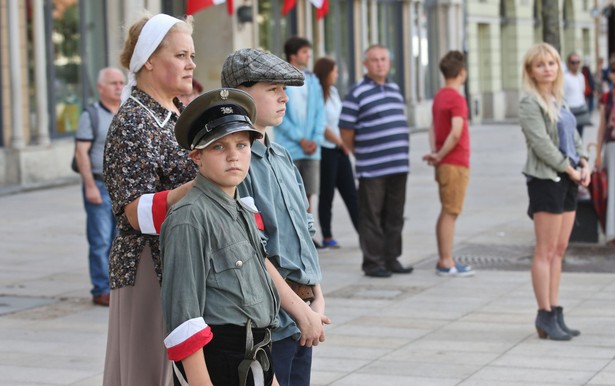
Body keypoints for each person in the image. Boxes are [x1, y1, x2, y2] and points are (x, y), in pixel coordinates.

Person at [221, 48, 331, 386]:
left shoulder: (281, 157)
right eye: (272, 89)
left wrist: (316, 295)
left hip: (303, 313)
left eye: (283, 89)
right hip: (270, 319)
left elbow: (304, 229)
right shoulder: (237, 166)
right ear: (242, 94)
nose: (284, 97)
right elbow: (252, 250)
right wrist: (299, 308)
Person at [160, 88, 280, 386]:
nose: (233, 156)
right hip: (220, 363)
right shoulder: (189, 218)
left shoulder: (238, 206)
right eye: (218, 147)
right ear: (196, 157)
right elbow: (184, 316)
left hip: (255, 355)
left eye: (241, 145)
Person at [102, 14, 197, 385]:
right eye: (181, 55)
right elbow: (135, 212)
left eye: (192, 54)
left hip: (182, 259)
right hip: (149, 264)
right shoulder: (133, 122)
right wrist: (203, 185)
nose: (191, 64)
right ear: (150, 60)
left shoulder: (180, 114)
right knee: (148, 372)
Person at [519, 43, 590, 341]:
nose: (548, 68)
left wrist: (584, 161)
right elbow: (541, 145)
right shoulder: (529, 103)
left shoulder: (557, 99)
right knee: (545, 250)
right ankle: (544, 313)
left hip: (569, 178)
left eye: (552, 62)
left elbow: (573, 136)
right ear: (530, 71)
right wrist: (570, 168)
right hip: (547, 179)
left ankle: (556, 311)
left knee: (559, 250)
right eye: (540, 64)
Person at [339, 44, 413, 278]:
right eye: (374, 60)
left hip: (398, 165)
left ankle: (392, 258)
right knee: (371, 216)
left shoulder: (394, 88)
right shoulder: (357, 92)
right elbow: (346, 129)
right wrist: (359, 151)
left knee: (395, 215)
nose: (380, 63)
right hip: (372, 167)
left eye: (383, 59)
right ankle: (373, 263)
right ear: (365, 64)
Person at [74, 67, 125, 306]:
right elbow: (81, 152)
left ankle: (116, 287)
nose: (118, 86)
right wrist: (89, 186)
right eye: (113, 82)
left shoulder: (126, 112)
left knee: (119, 240)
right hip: (99, 184)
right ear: (101, 87)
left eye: (121, 82)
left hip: (120, 187)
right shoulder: (91, 115)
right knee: (101, 240)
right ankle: (101, 289)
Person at [422, 51, 475, 277]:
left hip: (445, 161)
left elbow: (432, 128)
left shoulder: (440, 96)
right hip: (454, 162)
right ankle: (446, 261)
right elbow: (456, 133)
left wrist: (435, 152)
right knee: (451, 212)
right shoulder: (456, 98)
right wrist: (441, 154)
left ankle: (446, 258)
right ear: (462, 73)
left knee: (447, 210)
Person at [273, 36, 325, 216]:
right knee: (289, 194)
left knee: (309, 193)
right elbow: (279, 116)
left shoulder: (312, 80)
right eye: (304, 52)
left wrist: (315, 140)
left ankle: (307, 232)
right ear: (293, 55)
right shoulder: (281, 81)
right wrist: (300, 139)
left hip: (311, 149)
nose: (308, 55)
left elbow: (320, 112)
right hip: (290, 149)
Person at [313, 57, 359, 249]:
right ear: (326, 72)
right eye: (335, 71)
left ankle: (365, 233)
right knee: (327, 195)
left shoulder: (333, 92)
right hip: (327, 150)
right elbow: (322, 125)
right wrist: (341, 142)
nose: (337, 74)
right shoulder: (317, 93)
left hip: (340, 150)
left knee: (352, 194)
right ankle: (327, 235)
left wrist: (345, 143)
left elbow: (340, 120)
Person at [595, 65, 615, 246]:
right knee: (612, 190)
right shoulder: (607, 97)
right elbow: (601, 127)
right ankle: (612, 233)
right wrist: (598, 153)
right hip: (611, 148)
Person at [564, 52, 590, 138]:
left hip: (581, 109)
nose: (576, 64)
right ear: (569, 63)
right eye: (573, 62)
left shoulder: (581, 76)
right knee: (571, 137)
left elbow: (582, 91)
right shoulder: (565, 77)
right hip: (570, 110)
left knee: (580, 136)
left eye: (578, 62)